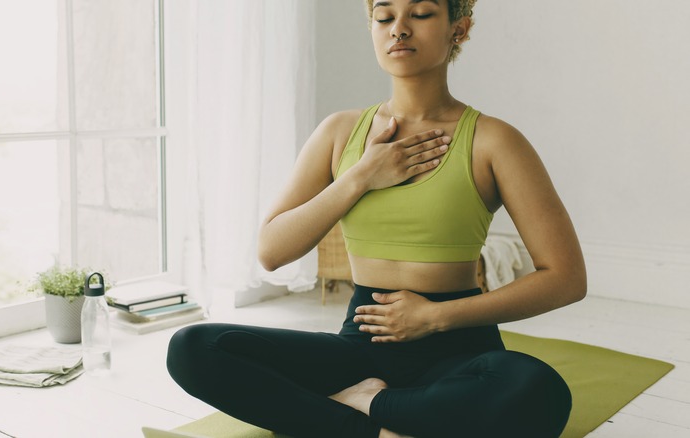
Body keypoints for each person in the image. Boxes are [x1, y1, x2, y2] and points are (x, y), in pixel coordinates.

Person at [167, 0, 586, 437]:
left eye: (420, 14)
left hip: (459, 349)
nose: (398, 29)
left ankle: (363, 404)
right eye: (384, 17)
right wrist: (361, 176)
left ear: (458, 30)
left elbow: (566, 278)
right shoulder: (339, 132)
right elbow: (272, 251)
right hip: (362, 347)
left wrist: (434, 318)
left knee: (539, 390)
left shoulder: (495, 140)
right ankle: (378, 425)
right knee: (193, 348)